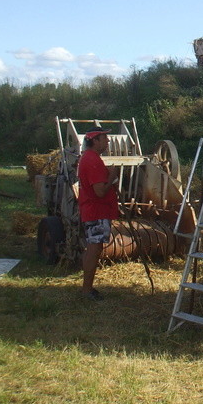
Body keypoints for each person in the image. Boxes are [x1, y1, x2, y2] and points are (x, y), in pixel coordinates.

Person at [77, 128, 119, 301]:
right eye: (105, 138)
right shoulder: (92, 161)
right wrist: (112, 177)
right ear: (95, 140)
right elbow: (100, 191)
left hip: (95, 210)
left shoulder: (89, 158)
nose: (108, 141)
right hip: (96, 211)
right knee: (94, 249)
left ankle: (88, 288)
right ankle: (87, 290)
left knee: (94, 248)